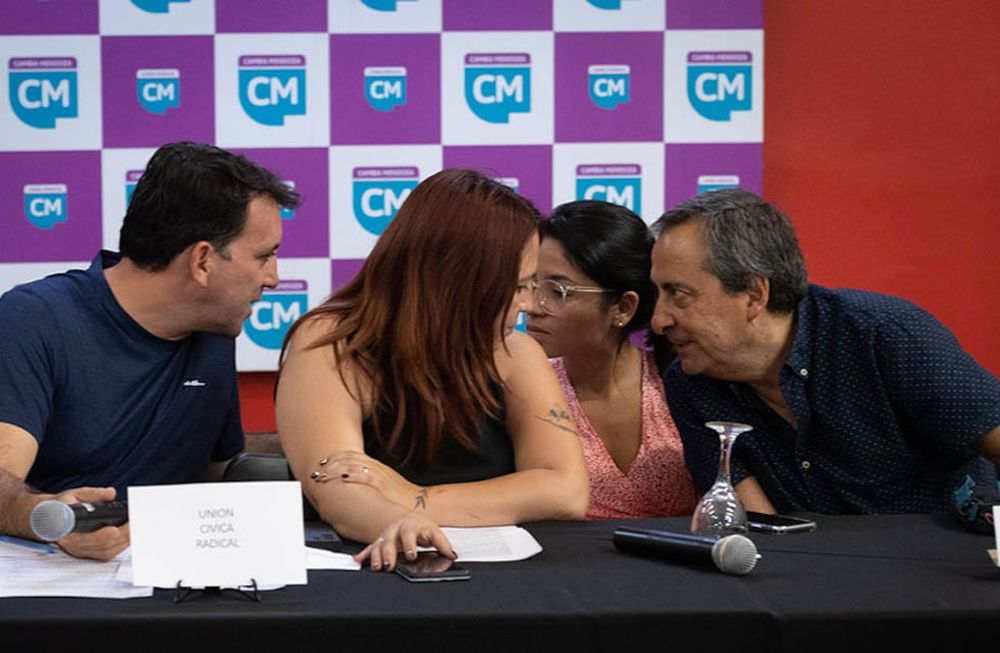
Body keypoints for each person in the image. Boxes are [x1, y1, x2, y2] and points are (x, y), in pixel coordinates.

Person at [276, 168, 589, 572]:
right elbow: (338, 493)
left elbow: (566, 492)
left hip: (503, 573)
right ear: (458, 281)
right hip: (373, 572)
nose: (530, 304)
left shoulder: (515, 350)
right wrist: (397, 521)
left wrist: (413, 497)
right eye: (516, 287)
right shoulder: (333, 343)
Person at [0, 141, 299, 560]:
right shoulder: (34, 320)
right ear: (202, 261)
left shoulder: (214, 332)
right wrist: (47, 516)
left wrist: (326, 450)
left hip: (173, 582)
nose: (273, 278)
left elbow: (217, 466)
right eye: (264, 257)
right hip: (50, 587)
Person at [649, 188, 1000, 515]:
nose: (658, 321)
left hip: (942, 565)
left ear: (754, 295)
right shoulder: (690, 383)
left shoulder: (884, 335)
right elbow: (758, 528)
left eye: (678, 294)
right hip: (811, 572)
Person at [524, 200, 697, 519]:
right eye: (532, 286)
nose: (532, 306)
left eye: (558, 291)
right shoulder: (527, 389)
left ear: (623, 307)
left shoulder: (681, 380)